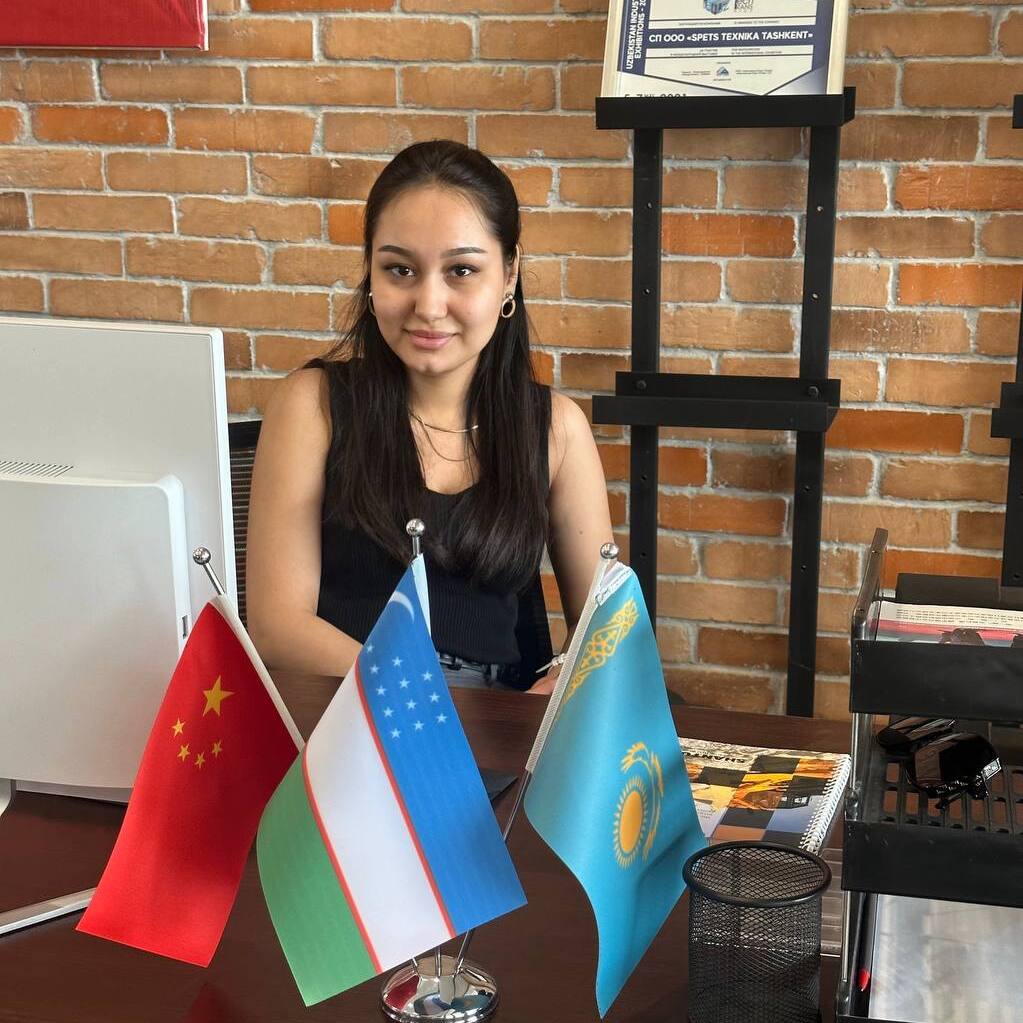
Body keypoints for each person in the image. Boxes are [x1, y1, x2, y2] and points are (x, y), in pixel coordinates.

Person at [246, 140, 612, 695]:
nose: (429, 306)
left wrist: (558, 688)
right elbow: (278, 629)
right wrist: (429, 702)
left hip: (499, 723)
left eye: (461, 270)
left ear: (508, 275)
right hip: (351, 709)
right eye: (400, 270)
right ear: (371, 273)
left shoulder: (557, 428)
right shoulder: (312, 403)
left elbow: (605, 634)